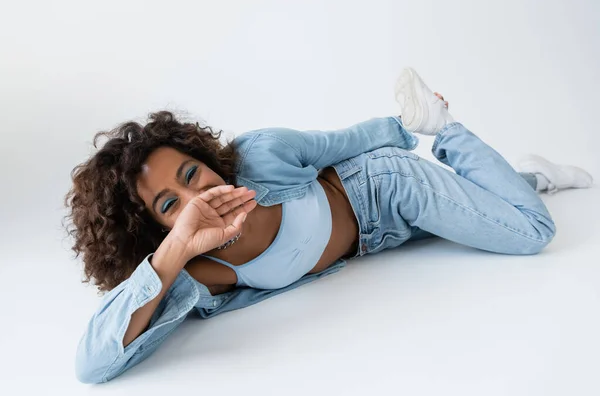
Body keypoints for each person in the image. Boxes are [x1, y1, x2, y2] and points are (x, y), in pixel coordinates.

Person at [66, 67, 593, 384]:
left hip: (387, 187)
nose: (197, 194)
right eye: (169, 204)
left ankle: (452, 132)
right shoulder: (197, 273)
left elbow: (343, 143)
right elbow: (93, 365)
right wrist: (179, 247)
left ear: (204, 159)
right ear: (156, 230)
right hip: (379, 242)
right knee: (488, 212)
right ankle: (533, 175)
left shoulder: (262, 153)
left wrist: (413, 127)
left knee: (530, 234)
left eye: (190, 173)